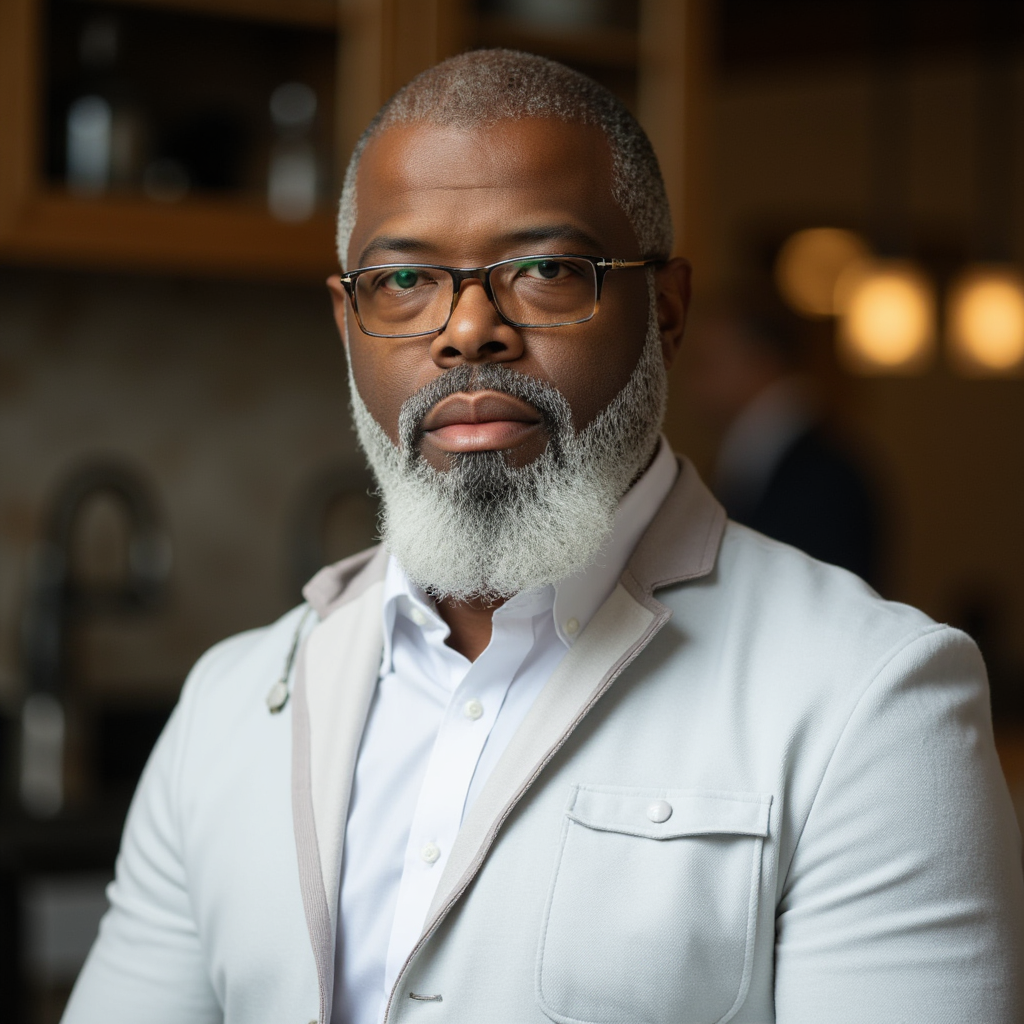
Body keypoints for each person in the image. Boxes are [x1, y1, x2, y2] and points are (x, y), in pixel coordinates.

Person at [63, 50, 1023, 1024]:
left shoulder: (874, 698)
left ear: (669, 310)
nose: (467, 329)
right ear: (345, 321)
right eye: (402, 279)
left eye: (546, 270)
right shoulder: (229, 706)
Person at [682, 299, 880, 585]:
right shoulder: (762, 455)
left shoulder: (821, 474)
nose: (693, 384)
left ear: (762, 361)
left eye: (706, 363)